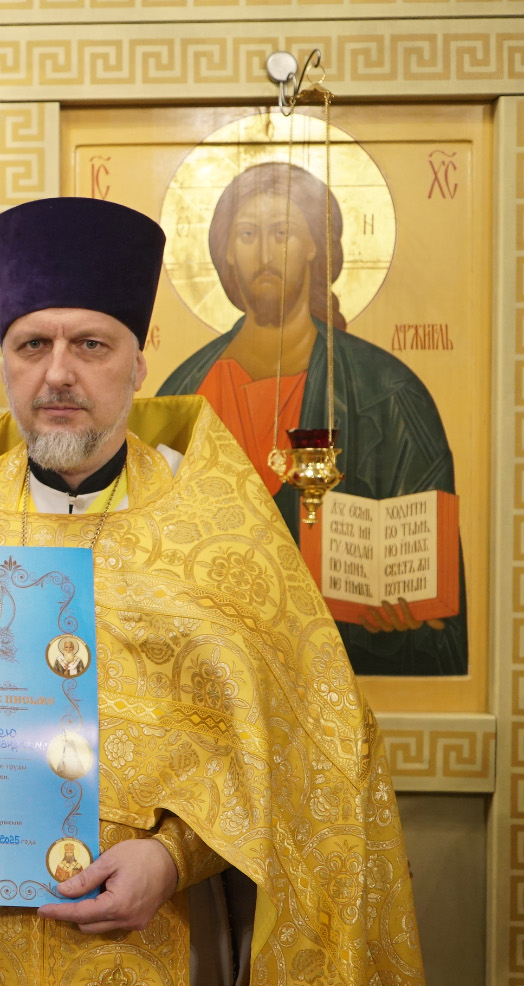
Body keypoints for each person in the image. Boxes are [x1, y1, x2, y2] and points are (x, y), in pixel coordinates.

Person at [0, 197, 424, 986]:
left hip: (156, 937)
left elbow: (303, 746)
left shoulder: (215, 520)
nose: (58, 372)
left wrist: (174, 857)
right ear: (6, 361)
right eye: (33, 344)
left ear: (137, 363)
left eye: (90, 344)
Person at [158, 162, 464, 676]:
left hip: (338, 675)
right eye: (248, 234)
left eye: (283, 233)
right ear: (225, 251)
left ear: (314, 248)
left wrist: (404, 619)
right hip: (211, 674)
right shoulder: (182, 393)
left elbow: (438, 616)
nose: (265, 253)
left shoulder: (386, 390)